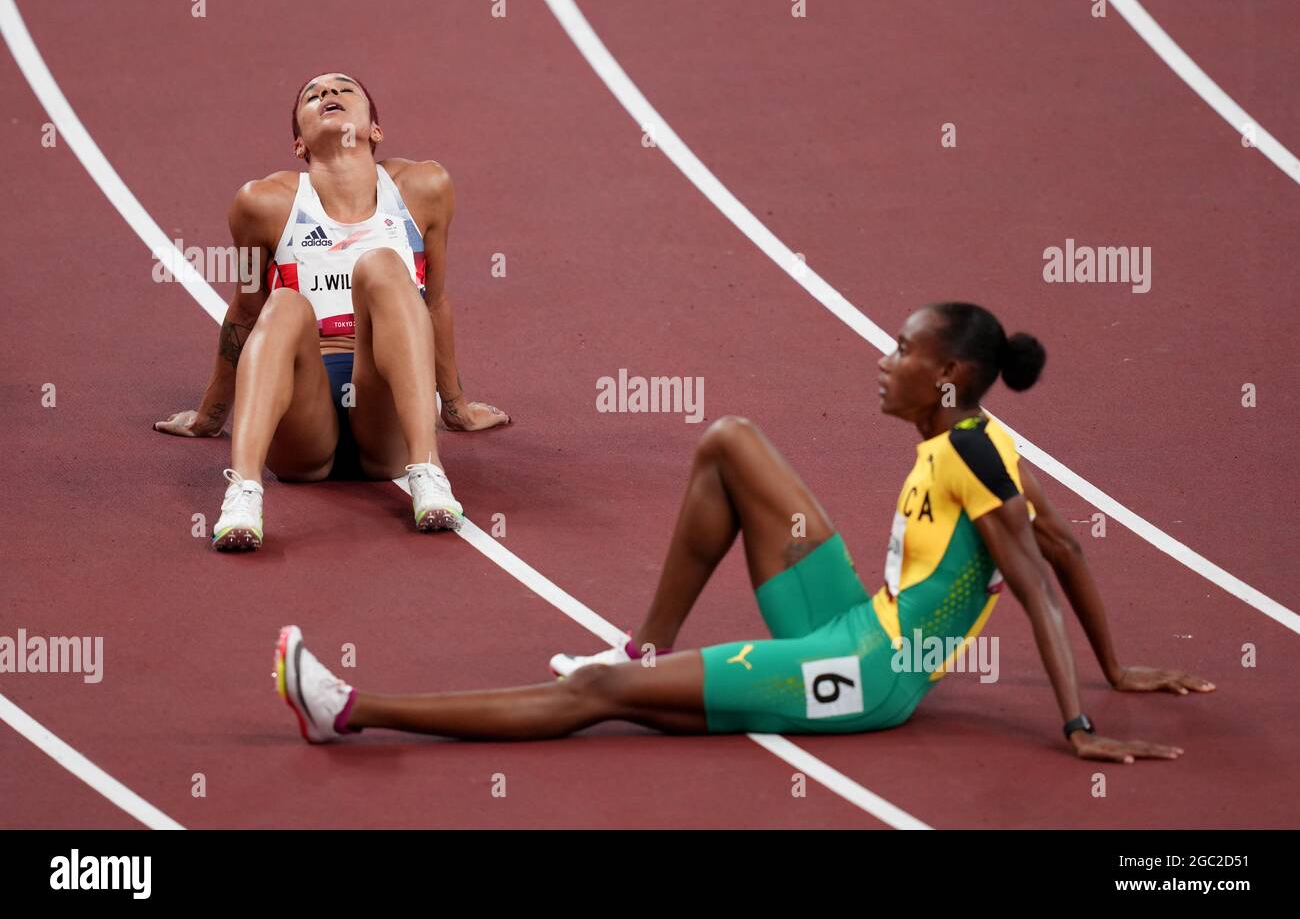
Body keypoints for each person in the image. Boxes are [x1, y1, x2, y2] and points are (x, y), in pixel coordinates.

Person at [274, 303, 1212, 762]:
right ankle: (645, 646)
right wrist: (1121, 668)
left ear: (947, 376)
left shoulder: (972, 459)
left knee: (603, 697)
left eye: (901, 350)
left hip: (866, 676)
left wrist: (1081, 722)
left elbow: (1042, 577)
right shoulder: (981, 438)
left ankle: (352, 710)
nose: (882, 362)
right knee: (731, 445)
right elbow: (1070, 546)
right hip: (857, 619)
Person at [155, 72, 508, 550]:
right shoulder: (262, 203)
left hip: (384, 414)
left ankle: (428, 473)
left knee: (383, 266)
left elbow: (436, 302)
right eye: (312, 95)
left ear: (375, 130)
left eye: (344, 89)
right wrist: (210, 415)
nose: (328, 95)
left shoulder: (425, 187)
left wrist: (457, 408)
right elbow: (244, 313)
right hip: (304, 422)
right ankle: (243, 491)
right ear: (299, 144)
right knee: (282, 304)